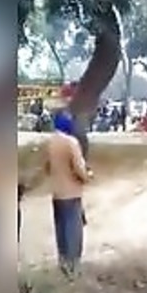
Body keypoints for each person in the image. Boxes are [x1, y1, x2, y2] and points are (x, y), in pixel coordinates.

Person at [46, 111, 93, 276]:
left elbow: (47, 167)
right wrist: (87, 176)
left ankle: (63, 261)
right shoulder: (71, 143)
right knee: (73, 229)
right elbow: (79, 168)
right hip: (72, 192)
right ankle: (73, 265)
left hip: (57, 193)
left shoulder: (51, 142)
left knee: (61, 228)